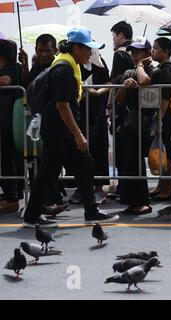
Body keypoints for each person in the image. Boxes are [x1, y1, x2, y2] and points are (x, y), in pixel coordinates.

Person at [23, 27, 119, 228]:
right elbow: (62, 105)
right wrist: (78, 135)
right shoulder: (64, 69)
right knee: (51, 170)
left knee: (82, 164)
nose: (90, 53)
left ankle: (90, 211)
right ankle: (32, 216)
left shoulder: (69, 64)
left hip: (60, 127)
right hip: (59, 128)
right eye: (87, 49)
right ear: (76, 48)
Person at [136, 37, 171, 202]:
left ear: (166, 51)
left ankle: (168, 188)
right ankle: (162, 185)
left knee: (169, 152)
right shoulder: (162, 67)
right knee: (163, 150)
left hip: (168, 115)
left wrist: (139, 65)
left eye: (156, 48)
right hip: (163, 114)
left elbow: (163, 95)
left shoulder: (167, 68)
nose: (152, 51)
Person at [68, 48, 111, 206]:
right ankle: (82, 188)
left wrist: (98, 92)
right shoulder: (73, 64)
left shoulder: (99, 63)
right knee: (81, 152)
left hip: (97, 114)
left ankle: (99, 187)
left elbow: (108, 83)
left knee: (99, 149)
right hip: (80, 114)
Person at [115, 37, 153, 215]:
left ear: (148, 53)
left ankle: (143, 201)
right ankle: (130, 200)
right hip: (129, 122)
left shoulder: (153, 69)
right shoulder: (128, 72)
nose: (135, 55)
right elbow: (119, 99)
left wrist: (140, 66)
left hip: (148, 121)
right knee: (128, 162)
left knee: (138, 162)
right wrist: (125, 86)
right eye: (133, 52)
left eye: (139, 52)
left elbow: (145, 82)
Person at [106, 21, 134, 201]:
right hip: (133, 108)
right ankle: (128, 186)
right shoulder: (135, 52)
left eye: (114, 35)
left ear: (121, 35)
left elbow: (115, 80)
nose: (113, 40)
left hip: (121, 106)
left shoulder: (120, 55)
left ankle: (123, 188)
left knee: (122, 150)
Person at [0, 39, 20, 214]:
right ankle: (8, 193)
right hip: (4, 121)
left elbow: (6, 81)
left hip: (8, 122)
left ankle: (11, 197)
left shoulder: (12, 67)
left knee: (7, 158)